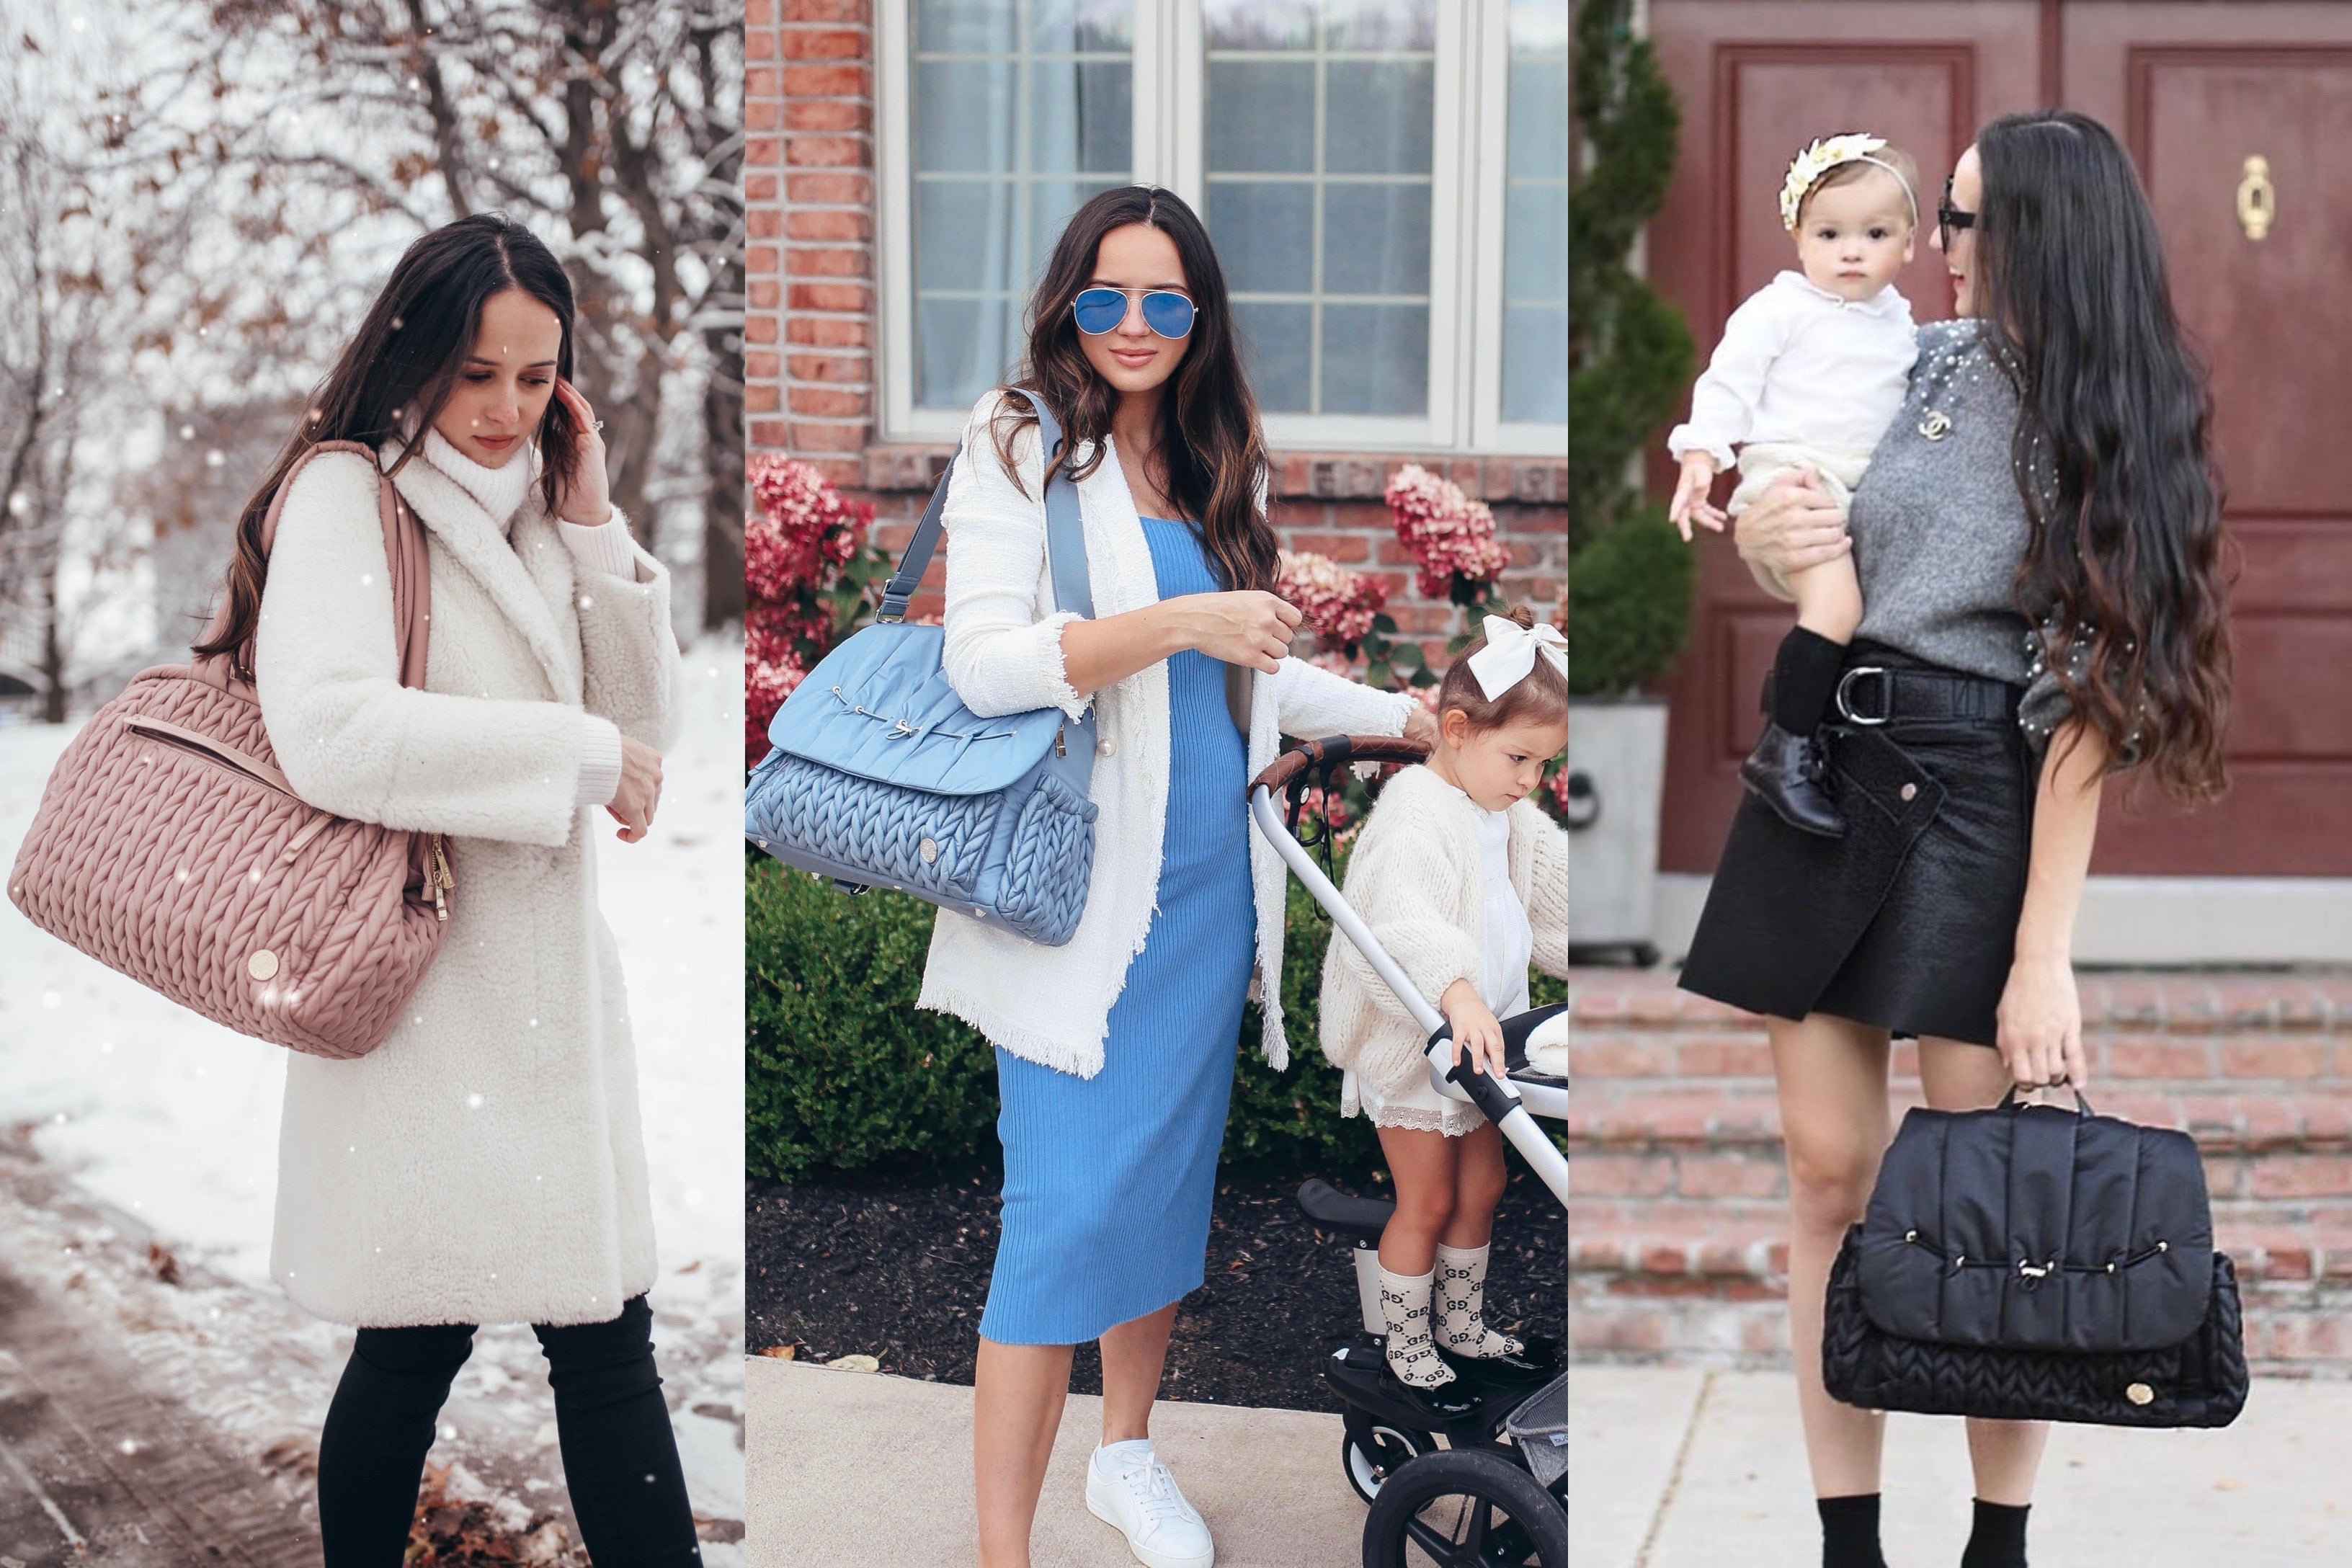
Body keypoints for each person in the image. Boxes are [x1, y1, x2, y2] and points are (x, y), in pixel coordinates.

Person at [1678, 112, 2232, 1568]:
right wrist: (1772, 531)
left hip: (1989, 792)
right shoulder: (1906, 359)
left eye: (1970, 221)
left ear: (2044, 236)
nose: (1941, 246)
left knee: (2000, 1193)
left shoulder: (2110, 418)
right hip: (1831, 766)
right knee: (1826, 1173)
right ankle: (1846, 1539)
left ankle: (1999, 1539)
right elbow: (1798, 512)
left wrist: (2043, 954)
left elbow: (2089, 705)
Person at [919, 184, 1438, 1568]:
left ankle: (1126, 1454)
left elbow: (1251, 672)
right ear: (1064, 305)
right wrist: (1174, 620)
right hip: (1072, 896)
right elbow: (981, 665)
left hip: (1207, 889)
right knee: (1057, 1221)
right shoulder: (1016, 440)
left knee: (1155, 1193)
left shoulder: (1218, 461)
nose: (1134, 325)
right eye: (1105, 297)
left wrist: (1407, 721)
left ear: (1199, 318)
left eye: (1165, 301)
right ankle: (999, 1552)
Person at [200, 213, 699, 1564]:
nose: (504, 409)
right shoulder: (344, 496)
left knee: (600, 1343)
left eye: (536, 378)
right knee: (417, 1349)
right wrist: (580, 756)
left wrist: (593, 526)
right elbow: (336, 733)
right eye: (477, 373)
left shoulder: (541, 508)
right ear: (414, 353)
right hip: (428, 1008)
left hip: (545, 1016)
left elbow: (645, 722)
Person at [1317, 607, 1569, 1395]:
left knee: (1485, 1186)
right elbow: (1397, 918)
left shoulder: (1508, 813)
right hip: (1418, 1049)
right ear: (1456, 729)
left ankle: (1461, 1324)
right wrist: (1454, 991)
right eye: (1520, 758)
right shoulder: (1416, 812)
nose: (1531, 780)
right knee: (1425, 1198)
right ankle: (1405, 1338)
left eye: (1544, 763)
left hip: (1491, 1046)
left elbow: (1560, 896)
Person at [1667, 133, 1922, 837]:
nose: (1850, 250)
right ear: (1798, 237)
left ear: (1909, 243)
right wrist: (1700, 459)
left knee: (1855, 617)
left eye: (1874, 234)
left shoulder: (1902, 326)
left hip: (1860, 489)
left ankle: (1808, 721)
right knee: (1835, 605)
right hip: (1796, 478)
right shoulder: (1779, 310)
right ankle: (1782, 751)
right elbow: (1728, 384)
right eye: (1829, 232)